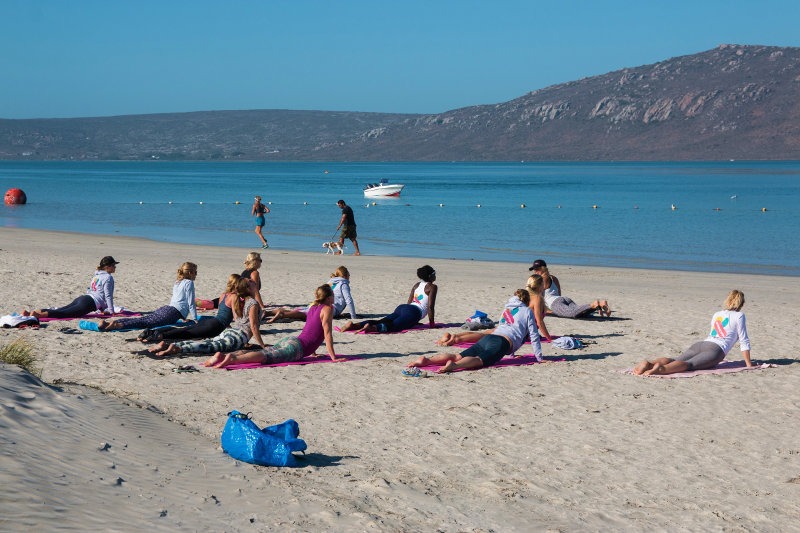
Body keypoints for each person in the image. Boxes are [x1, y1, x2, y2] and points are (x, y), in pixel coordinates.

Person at [203, 284, 347, 368]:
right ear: (328, 298)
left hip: (293, 341)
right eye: (333, 295)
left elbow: (311, 329)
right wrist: (332, 357)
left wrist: (313, 352)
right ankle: (232, 359)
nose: (334, 298)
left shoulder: (314, 307)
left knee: (269, 351)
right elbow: (327, 334)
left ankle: (223, 356)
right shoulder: (328, 309)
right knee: (266, 356)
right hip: (297, 348)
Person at [409, 289, 542, 373]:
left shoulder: (507, 310)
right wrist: (539, 358)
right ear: (526, 301)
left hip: (488, 338)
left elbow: (508, 328)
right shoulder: (527, 311)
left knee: (457, 355)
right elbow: (533, 335)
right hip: (502, 343)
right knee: (479, 360)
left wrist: (512, 355)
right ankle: (454, 366)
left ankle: (427, 360)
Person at [634, 290, 752, 376]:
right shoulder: (739, 315)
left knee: (675, 359)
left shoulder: (717, 314)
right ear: (741, 304)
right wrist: (748, 364)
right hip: (716, 350)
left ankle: (649, 364)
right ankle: (661, 369)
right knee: (689, 364)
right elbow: (744, 340)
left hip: (701, 344)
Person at [150, 277, 264, 357]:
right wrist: (262, 345)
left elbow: (239, 320)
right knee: (209, 346)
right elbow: (253, 326)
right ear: (249, 288)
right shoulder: (252, 303)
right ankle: (177, 348)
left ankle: (169, 345)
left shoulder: (242, 300)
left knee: (208, 342)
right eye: (251, 281)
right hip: (239, 336)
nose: (253, 281)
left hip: (232, 332)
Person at [138, 274, 240, 343]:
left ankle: (151, 331)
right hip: (214, 326)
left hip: (212, 321)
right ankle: (159, 335)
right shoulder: (235, 297)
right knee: (186, 333)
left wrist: (229, 328)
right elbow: (235, 318)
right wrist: (240, 332)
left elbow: (224, 313)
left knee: (185, 329)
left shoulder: (224, 295)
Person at [98, 262, 198, 331]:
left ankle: (110, 323)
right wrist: (195, 319)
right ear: (189, 273)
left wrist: (183, 317)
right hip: (172, 314)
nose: (196, 275)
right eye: (195, 272)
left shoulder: (178, 282)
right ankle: (116, 325)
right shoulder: (189, 283)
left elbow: (177, 301)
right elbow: (191, 303)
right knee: (145, 323)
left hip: (167, 309)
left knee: (143, 319)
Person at [340, 265, 437, 333]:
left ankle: (354, 325)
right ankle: (372, 328)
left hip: (402, 308)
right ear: (430, 275)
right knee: (394, 326)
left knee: (383, 321)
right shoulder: (432, 287)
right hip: (414, 312)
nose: (435, 275)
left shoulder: (417, 285)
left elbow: (409, 302)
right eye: (434, 273)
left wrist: (413, 320)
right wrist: (432, 325)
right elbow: (430, 307)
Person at [21, 256, 120, 319]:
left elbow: (96, 292)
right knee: (63, 314)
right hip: (89, 303)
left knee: (60, 309)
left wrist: (102, 310)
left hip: (84, 298)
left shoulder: (96, 276)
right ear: (108, 267)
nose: (115, 268)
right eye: (114, 266)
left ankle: (30, 313)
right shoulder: (108, 278)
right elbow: (107, 296)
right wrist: (112, 312)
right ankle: (37, 315)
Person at [266, 265, 358, 322]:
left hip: (317, 302)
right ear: (345, 276)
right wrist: (353, 317)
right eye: (349, 275)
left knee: (301, 311)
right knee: (305, 315)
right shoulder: (343, 283)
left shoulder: (331, 281)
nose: (349, 277)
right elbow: (349, 300)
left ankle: (268, 313)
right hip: (329, 308)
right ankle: (282, 315)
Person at [529, 259, 610, 318]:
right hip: (564, 299)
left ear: (542, 268)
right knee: (581, 313)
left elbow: (538, 297)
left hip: (554, 303)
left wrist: (546, 309)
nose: (535, 271)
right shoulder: (554, 278)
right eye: (534, 270)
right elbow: (559, 293)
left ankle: (594, 304)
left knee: (573, 314)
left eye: (536, 269)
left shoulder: (542, 280)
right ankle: (601, 304)